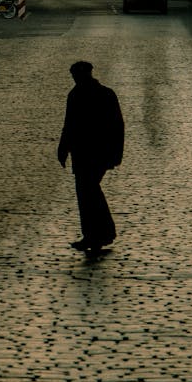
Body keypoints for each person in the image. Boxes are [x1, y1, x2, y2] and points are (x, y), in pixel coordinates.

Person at [58, 61, 124, 254]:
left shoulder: (84, 95)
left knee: (88, 192)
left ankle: (98, 233)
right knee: (89, 192)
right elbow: (69, 124)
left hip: (91, 153)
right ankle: (98, 234)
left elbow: (116, 126)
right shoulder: (103, 94)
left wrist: (63, 149)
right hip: (90, 153)